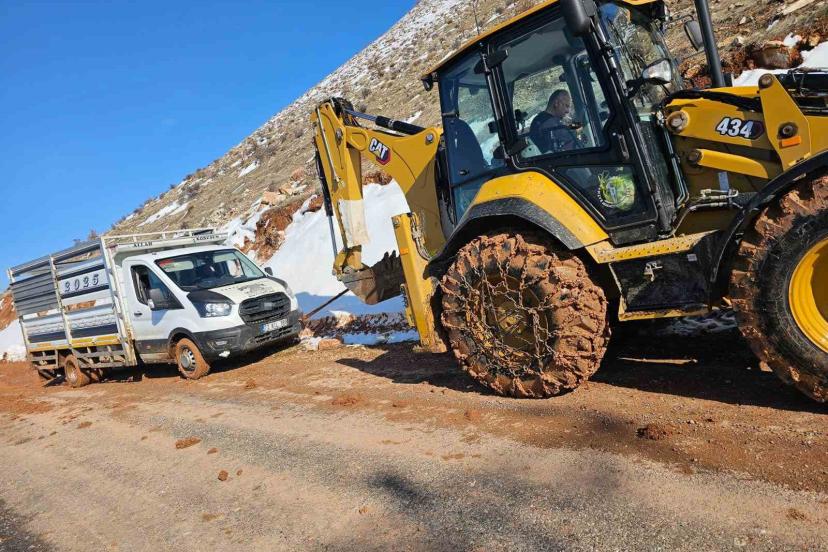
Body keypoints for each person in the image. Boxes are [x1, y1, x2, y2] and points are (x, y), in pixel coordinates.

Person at [529, 90, 578, 154]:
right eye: (566, 106)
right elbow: (568, 135)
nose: (568, 111)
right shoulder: (548, 122)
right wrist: (579, 125)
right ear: (556, 103)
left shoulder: (541, 118)